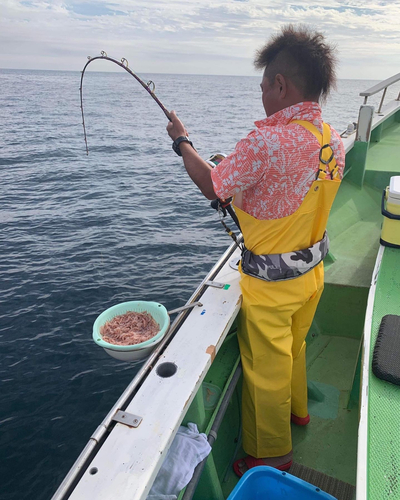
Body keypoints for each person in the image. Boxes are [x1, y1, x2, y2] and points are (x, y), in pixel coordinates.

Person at [166, 24, 345, 476]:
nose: (262, 94)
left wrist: (182, 142)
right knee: (295, 348)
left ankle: (272, 454)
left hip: (270, 288)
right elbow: (289, 194)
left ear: (280, 84)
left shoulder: (266, 142)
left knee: (265, 371)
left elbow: (213, 184)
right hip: (312, 277)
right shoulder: (333, 140)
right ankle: (299, 411)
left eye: (264, 85)